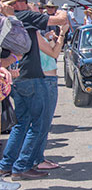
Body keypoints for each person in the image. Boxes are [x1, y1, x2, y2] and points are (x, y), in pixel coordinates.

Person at [0, 0, 67, 180]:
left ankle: (7, 164)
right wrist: (62, 9)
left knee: (22, 123)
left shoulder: (8, 19)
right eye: (24, 0)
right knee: (38, 123)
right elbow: (61, 19)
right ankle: (22, 166)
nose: (28, 3)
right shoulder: (24, 16)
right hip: (31, 76)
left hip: (18, 76)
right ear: (17, 3)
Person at [34, 23, 68, 170]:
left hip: (47, 77)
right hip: (45, 78)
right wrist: (62, 34)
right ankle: (35, 159)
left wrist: (50, 38)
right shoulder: (33, 33)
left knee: (41, 123)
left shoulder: (37, 34)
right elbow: (55, 54)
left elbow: (54, 50)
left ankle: (35, 158)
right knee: (41, 123)